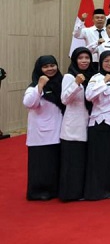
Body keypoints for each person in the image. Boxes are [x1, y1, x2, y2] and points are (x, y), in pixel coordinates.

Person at [23, 55, 64, 201]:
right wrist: (39, 87)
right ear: (39, 69)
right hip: (40, 134)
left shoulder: (61, 83)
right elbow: (29, 103)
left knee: (55, 163)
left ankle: (54, 189)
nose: (50, 69)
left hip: (59, 131)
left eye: (53, 65)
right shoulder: (33, 86)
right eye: (46, 66)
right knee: (41, 164)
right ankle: (38, 191)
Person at [84, 51, 110, 200]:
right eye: (106, 61)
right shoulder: (96, 78)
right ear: (101, 63)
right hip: (100, 122)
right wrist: (104, 81)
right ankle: (97, 190)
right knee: (99, 159)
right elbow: (89, 96)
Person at [58, 48, 94, 201]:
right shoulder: (69, 76)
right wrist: (76, 84)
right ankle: (69, 193)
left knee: (83, 161)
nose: (84, 61)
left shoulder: (93, 76)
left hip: (89, 122)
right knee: (72, 161)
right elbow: (64, 99)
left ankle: (82, 191)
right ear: (75, 60)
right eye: (81, 58)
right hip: (73, 124)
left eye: (87, 58)